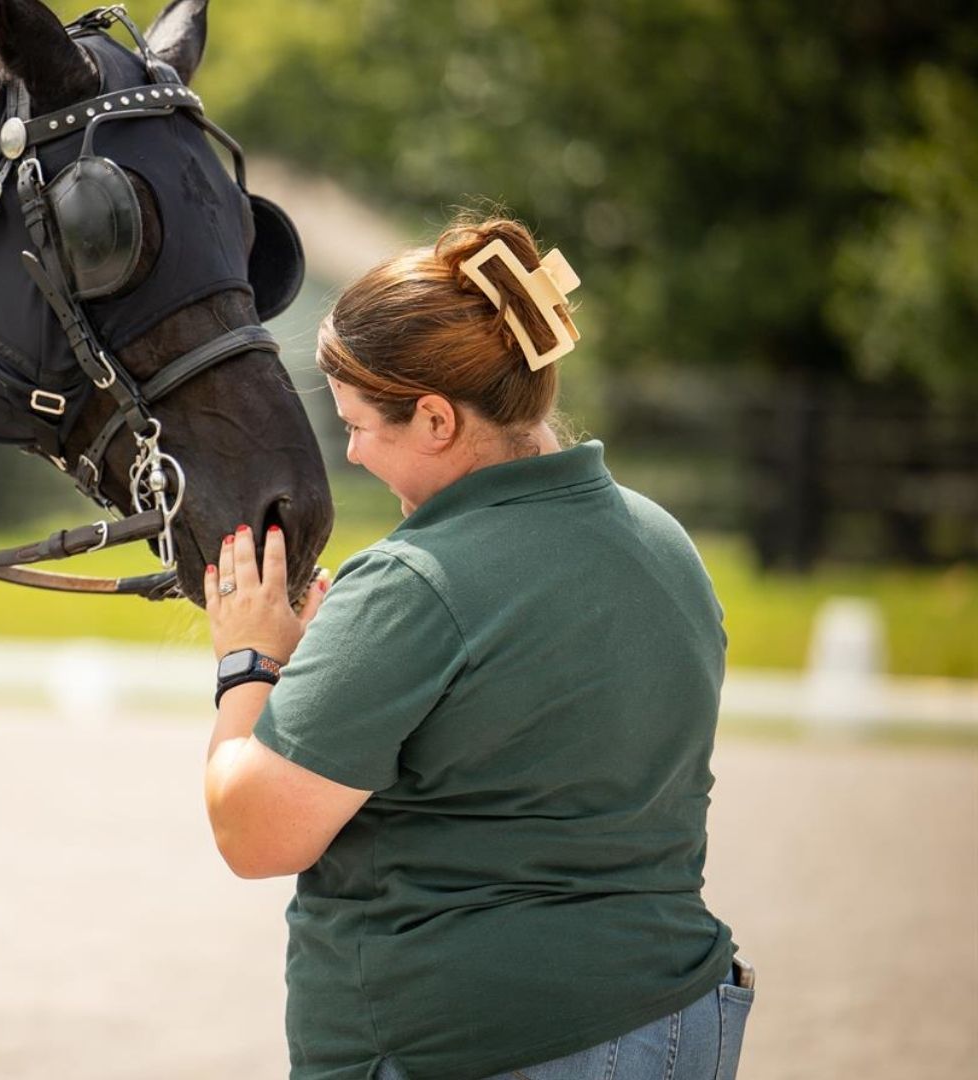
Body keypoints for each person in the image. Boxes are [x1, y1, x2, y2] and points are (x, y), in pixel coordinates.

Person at [201, 214, 752, 1080]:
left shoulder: (414, 582)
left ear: (434, 419)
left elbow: (254, 832)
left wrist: (251, 661)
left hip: (477, 1042)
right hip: (676, 1015)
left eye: (357, 426)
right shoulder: (660, 540)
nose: (351, 453)